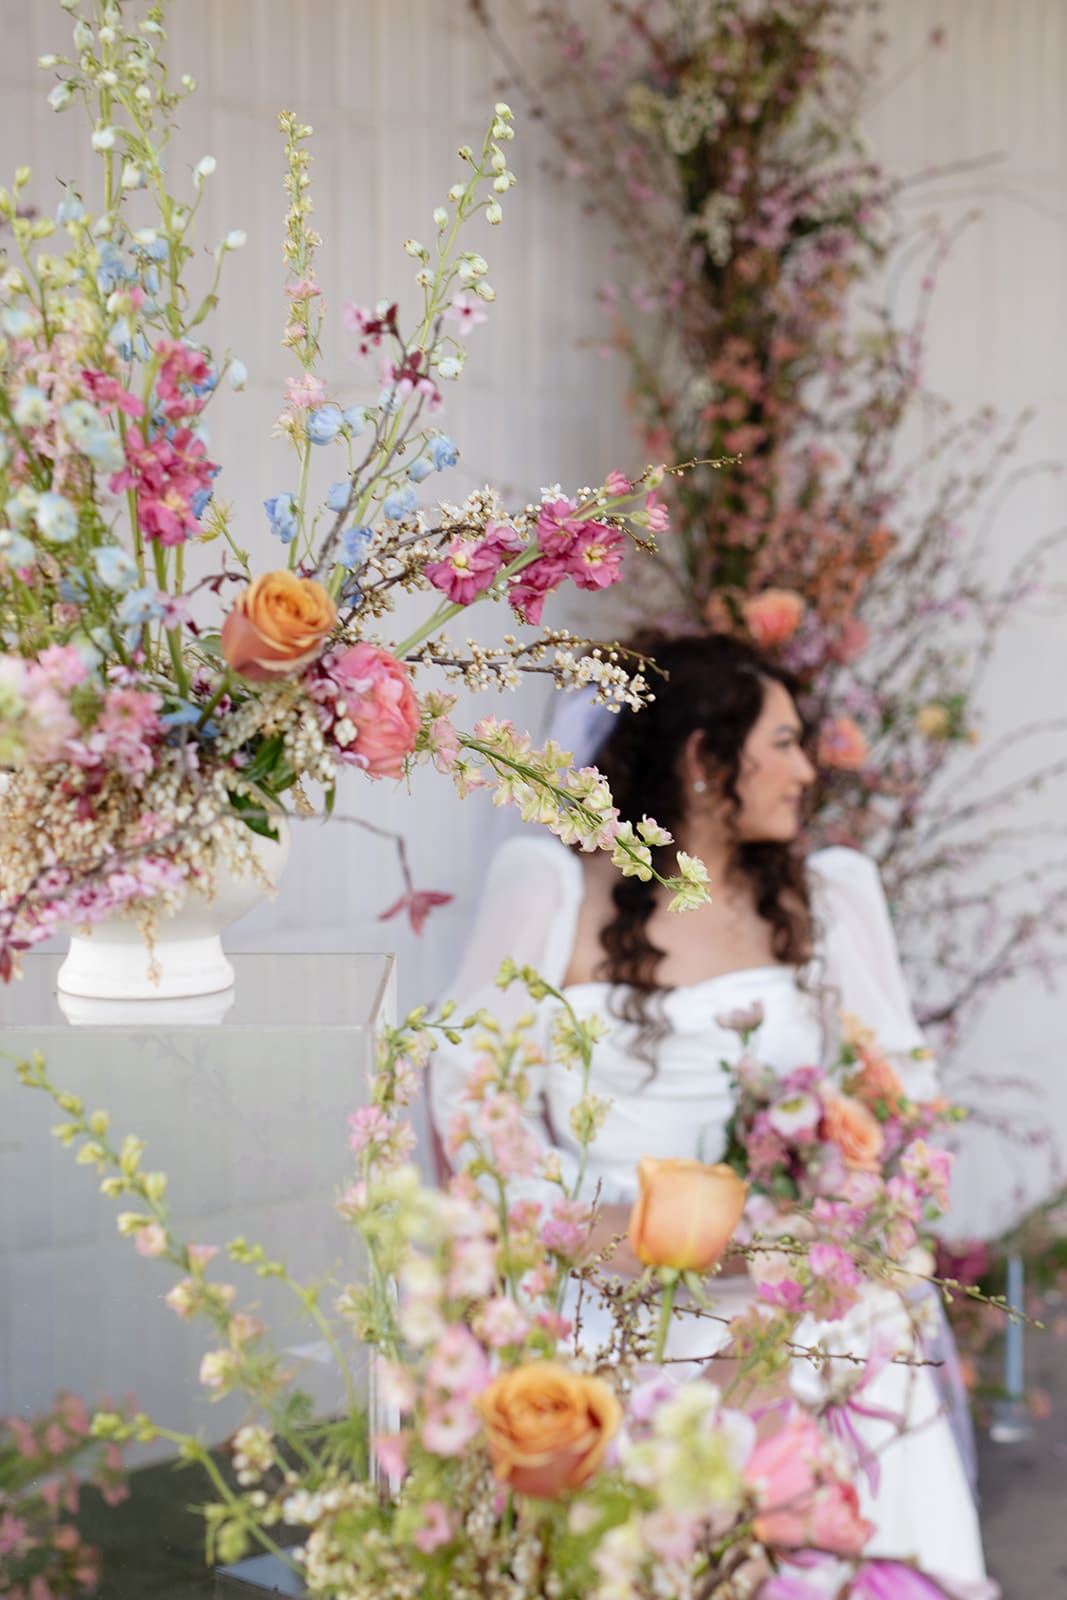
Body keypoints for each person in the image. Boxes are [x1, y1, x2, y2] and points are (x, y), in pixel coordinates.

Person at [429, 631, 990, 1588]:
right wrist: (600, 1234)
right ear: (702, 759)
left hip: (793, 1277)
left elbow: (903, 1107)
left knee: (858, 1332)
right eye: (782, 743)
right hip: (608, 1274)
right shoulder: (552, 893)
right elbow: (471, 1113)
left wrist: (828, 1222)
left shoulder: (829, 899)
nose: (806, 770)